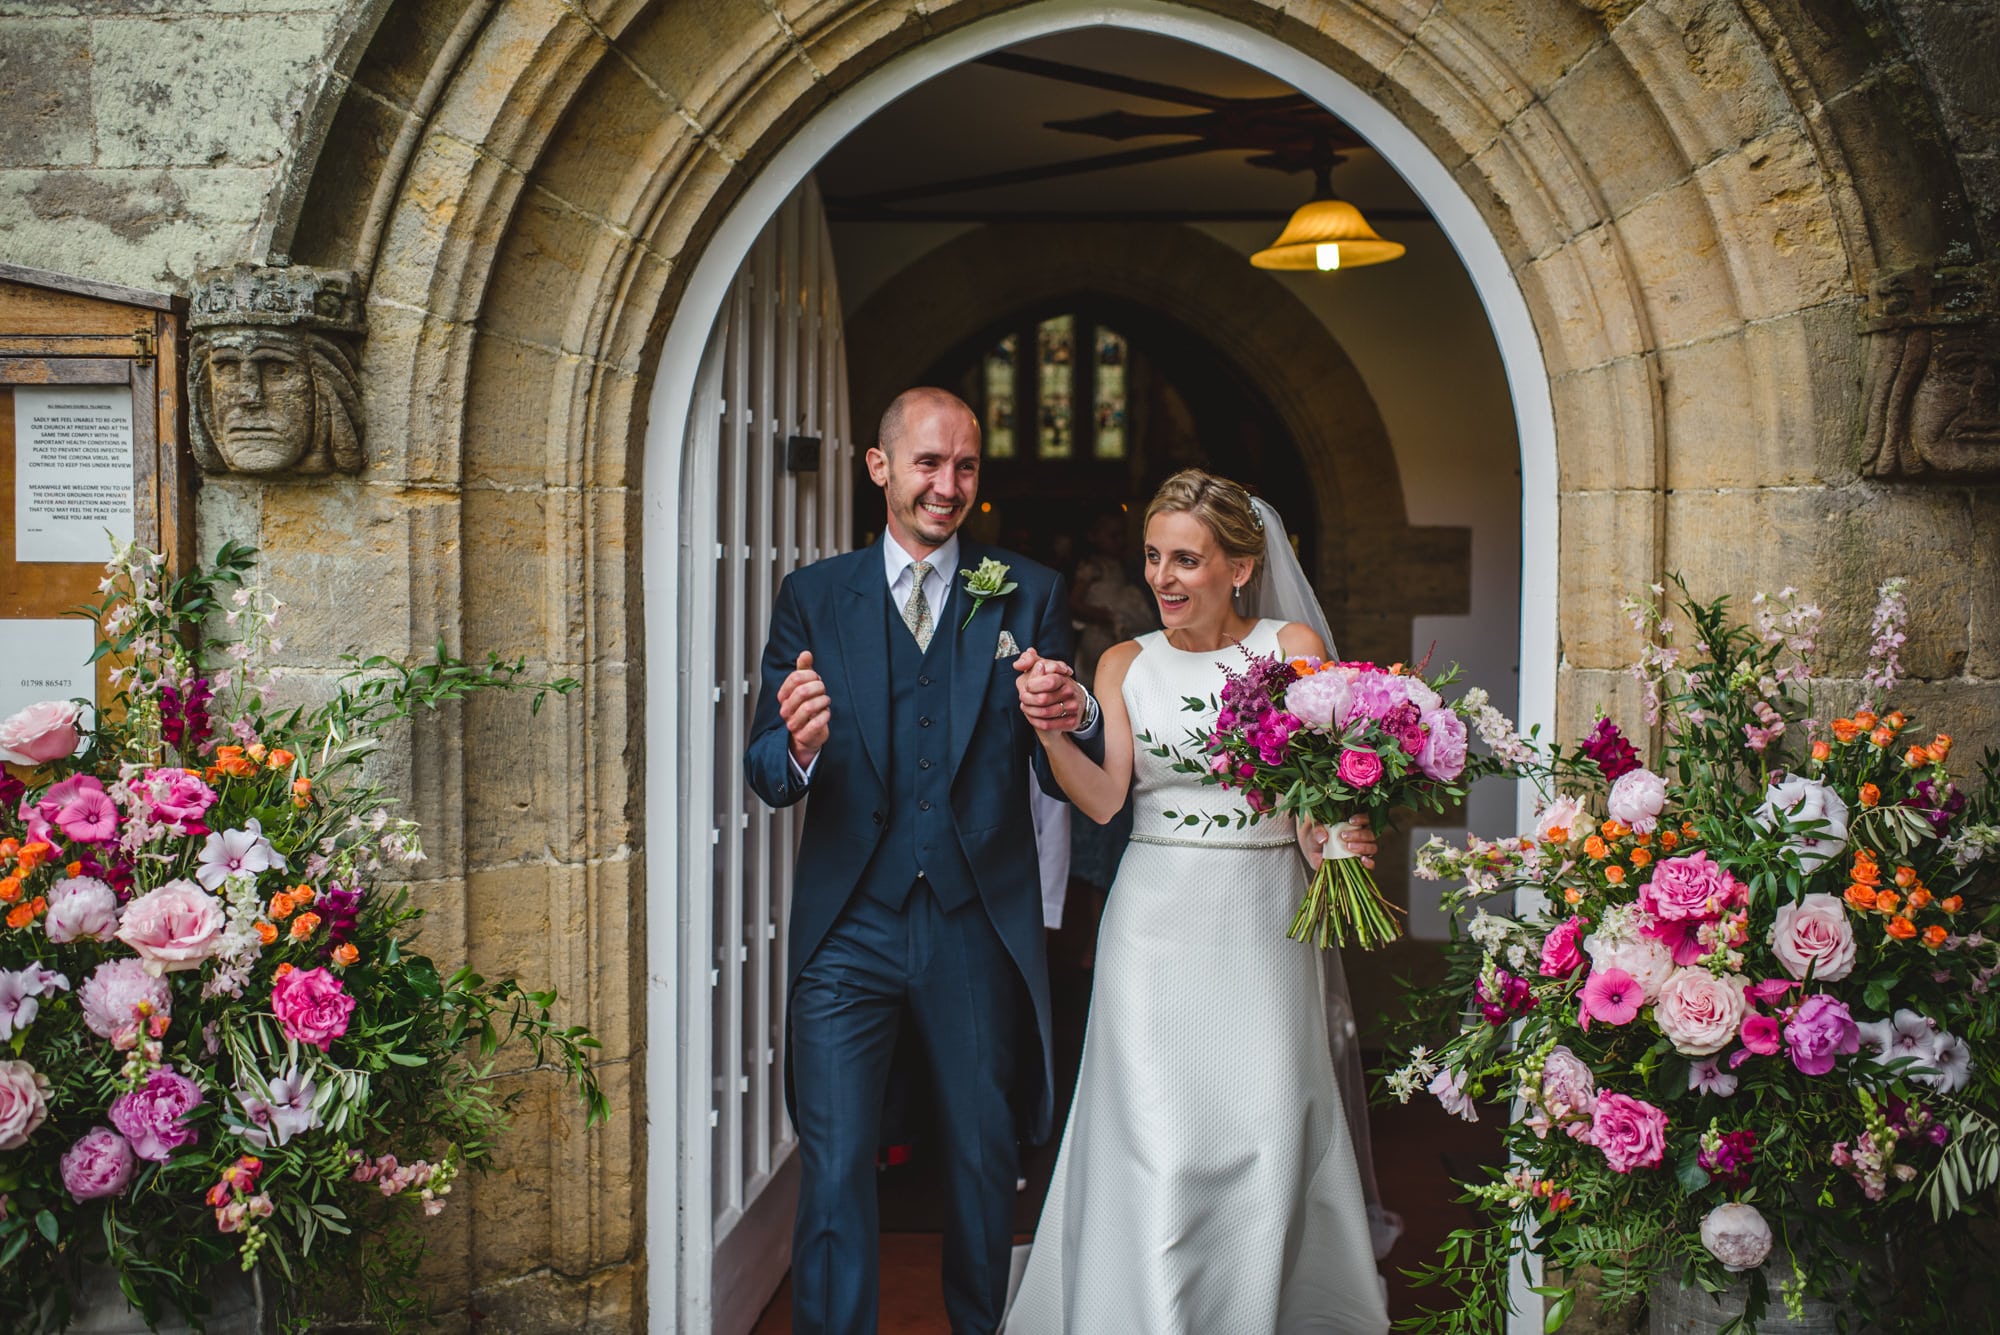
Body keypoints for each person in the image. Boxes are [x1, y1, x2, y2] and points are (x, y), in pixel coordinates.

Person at [743, 387, 1103, 1335]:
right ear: (880, 467)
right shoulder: (815, 596)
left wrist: (1071, 716)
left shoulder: (1028, 590)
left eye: (966, 467)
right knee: (834, 1159)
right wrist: (803, 745)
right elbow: (766, 769)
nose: (948, 486)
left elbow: (1069, 774)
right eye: (929, 463)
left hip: (973, 919)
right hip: (848, 927)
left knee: (984, 1157)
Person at [1004, 469, 1392, 1334]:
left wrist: (1339, 841)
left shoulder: (1292, 648)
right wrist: (1050, 730)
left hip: (1261, 920)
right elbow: (1103, 799)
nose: (1164, 578)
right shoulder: (1123, 661)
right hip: (1153, 924)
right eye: (1153, 557)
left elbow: (1310, 813)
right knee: (1157, 1141)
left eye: (1187, 558)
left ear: (1242, 565)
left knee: (1264, 1129)